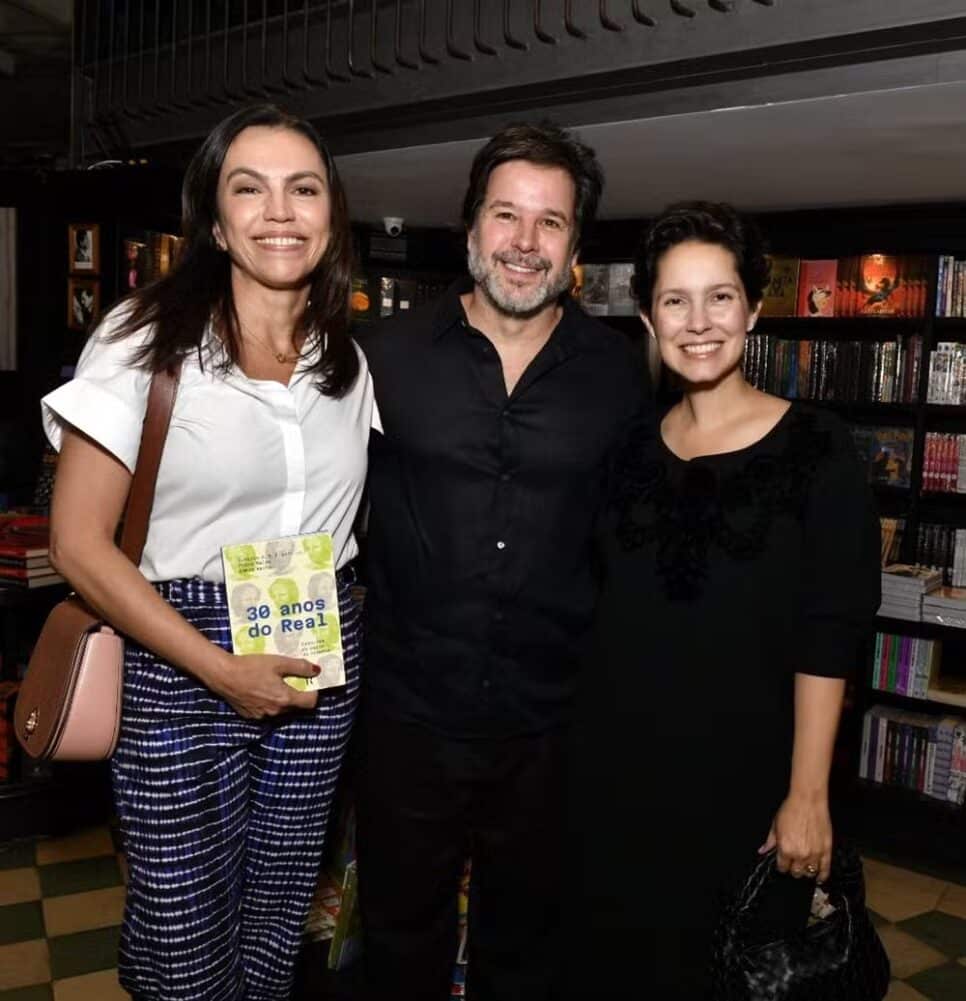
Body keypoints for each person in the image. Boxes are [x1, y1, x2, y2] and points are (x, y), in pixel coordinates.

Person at [41, 103, 377, 1001]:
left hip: (318, 644)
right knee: (183, 931)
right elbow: (75, 543)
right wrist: (219, 667)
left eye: (303, 188)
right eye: (250, 187)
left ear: (331, 213)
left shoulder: (342, 357)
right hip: (174, 650)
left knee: (274, 923)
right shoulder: (141, 339)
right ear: (215, 218)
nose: (279, 210)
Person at [561, 202, 881, 999]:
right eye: (675, 300)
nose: (698, 322)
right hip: (617, 786)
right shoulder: (628, 447)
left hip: (747, 795)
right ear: (647, 316)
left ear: (754, 307)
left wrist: (808, 794)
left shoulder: (816, 447)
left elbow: (829, 630)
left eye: (720, 296)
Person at [357, 121, 646, 1001]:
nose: (525, 243)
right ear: (470, 226)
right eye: (506, 216)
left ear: (576, 247)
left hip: (551, 729)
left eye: (550, 223)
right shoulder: (383, 360)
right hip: (408, 716)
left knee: (528, 952)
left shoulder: (623, 374)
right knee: (399, 942)